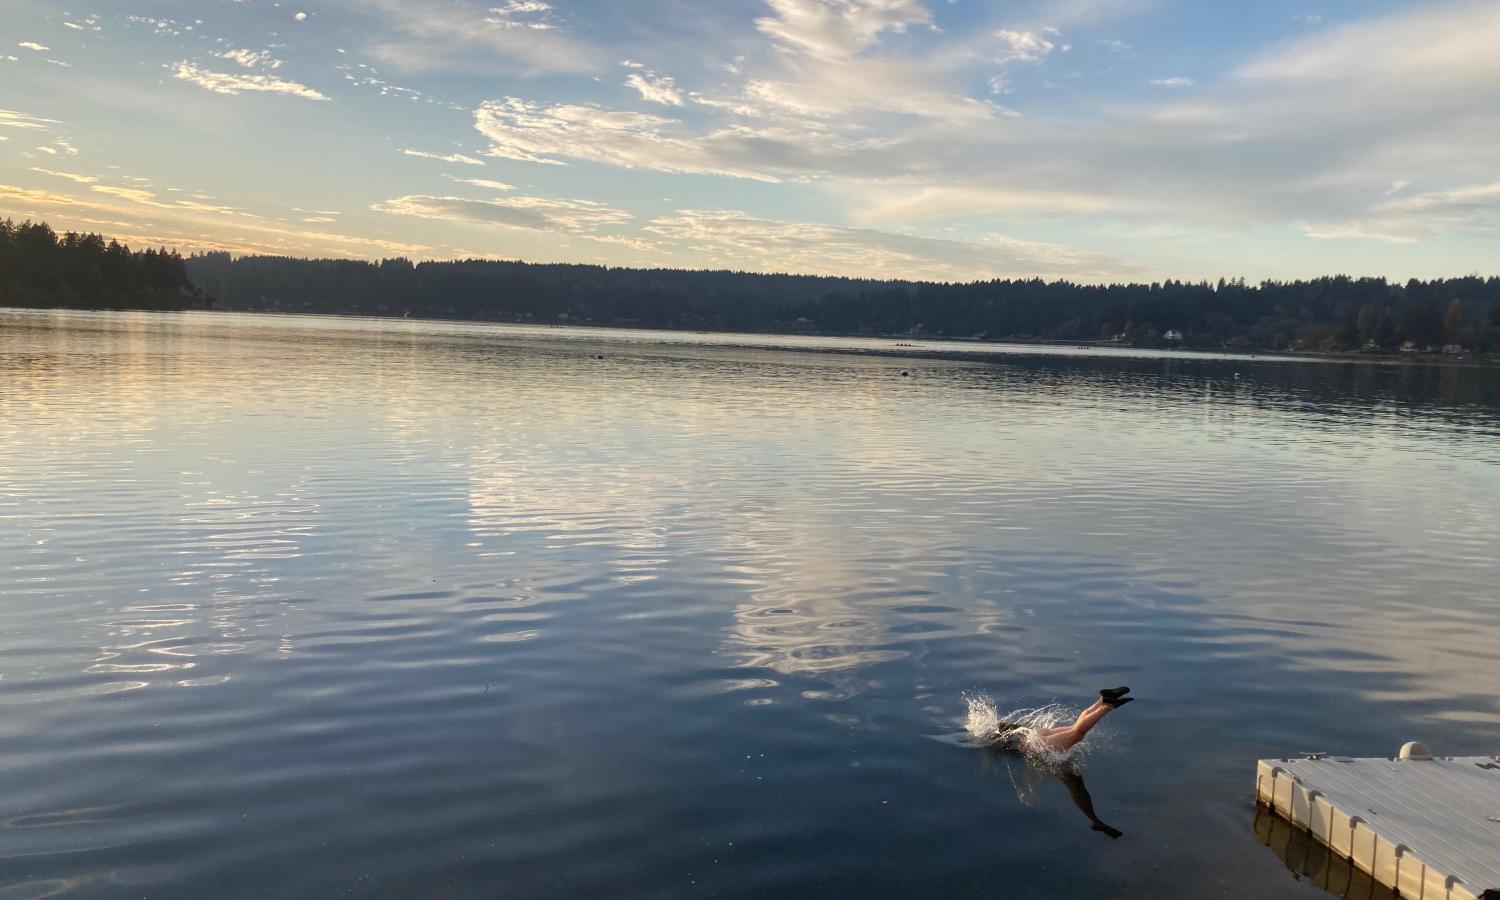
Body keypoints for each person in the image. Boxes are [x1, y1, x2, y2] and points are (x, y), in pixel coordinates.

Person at [1034, 686, 1133, 752]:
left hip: (1031, 744)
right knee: (1074, 729)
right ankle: (1104, 700)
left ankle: (1106, 706)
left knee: (1076, 734)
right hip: (1032, 735)